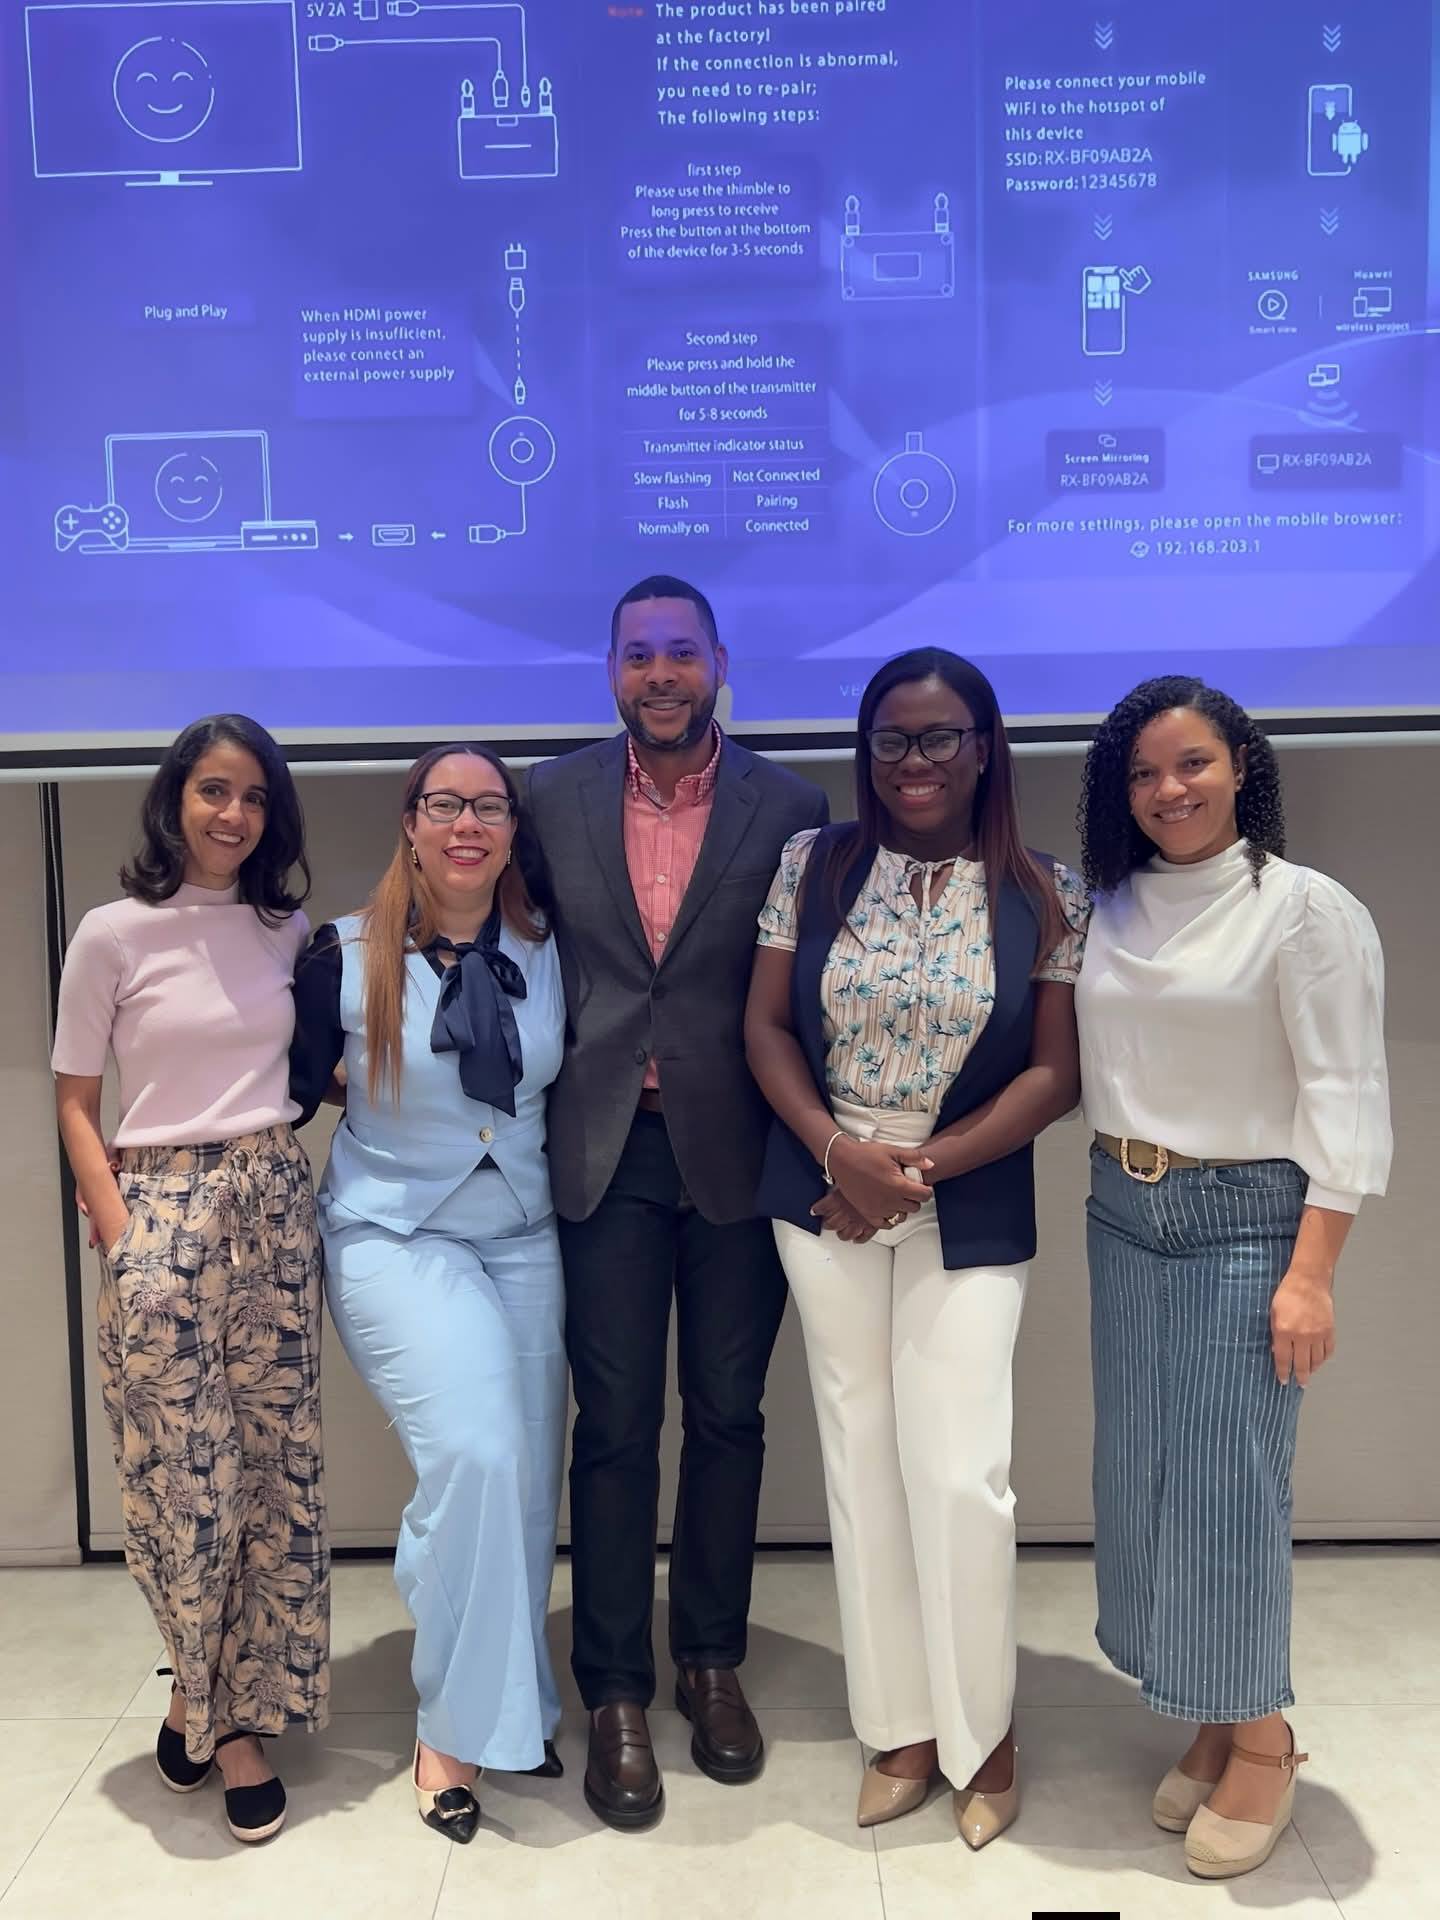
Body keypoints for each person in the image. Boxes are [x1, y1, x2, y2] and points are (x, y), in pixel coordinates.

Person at [745, 647, 1088, 1849]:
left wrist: (914, 1172)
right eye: (891, 740)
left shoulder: (1048, 890)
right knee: (863, 1460)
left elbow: (1055, 1073)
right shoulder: (814, 863)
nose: (915, 761)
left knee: (959, 1473)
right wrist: (841, 1153)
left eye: (941, 737)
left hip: (966, 1194)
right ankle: (897, 1726)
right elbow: (765, 1028)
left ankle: (980, 1734)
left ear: (984, 748)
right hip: (825, 1188)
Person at [1075, 676, 1392, 1881]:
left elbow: (1346, 1096)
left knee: (1229, 1487)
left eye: (1193, 763)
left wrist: (1312, 1275)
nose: (1170, 790)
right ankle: (1209, 1711)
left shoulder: (1303, 910)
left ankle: (1264, 1739)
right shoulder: (1109, 904)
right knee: (1144, 1479)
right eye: (1144, 773)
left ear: (1243, 766)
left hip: (1245, 1221)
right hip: (1121, 1211)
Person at [524, 575, 828, 1829]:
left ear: (718, 664)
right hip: (601, 1147)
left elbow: (805, 981)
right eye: (640, 654)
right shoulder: (547, 797)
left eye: (682, 653)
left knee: (728, 1415)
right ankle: (613, 1687)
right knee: (611, 1425)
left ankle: (709, 1661)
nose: (662, 674)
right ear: (611, 671)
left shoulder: (791, 805)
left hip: (740, 1149)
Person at [52, 714, 326, 1845]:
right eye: (215, 790)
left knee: (270, 1475)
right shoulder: (112, 932)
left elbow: (309, 1068)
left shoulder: (286, 928)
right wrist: (121, 1230)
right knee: (183, 1486)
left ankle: (223, 1712)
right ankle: (211, 1704)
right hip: (160, 1209)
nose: (233, 814)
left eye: (255, 797)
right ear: (175, 799)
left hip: (272, 1204)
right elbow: (75, 1101)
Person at [289, 745, 567, 1846]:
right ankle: (452, 1728)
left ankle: (514, 1705)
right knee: (476, 1455)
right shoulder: (341, 954)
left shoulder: (551, 948)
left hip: (527, 1235)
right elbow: (282, 1085)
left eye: (489, 807)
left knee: (525, 1479)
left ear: (511, 831)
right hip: (394, 1234)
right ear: (410, 821)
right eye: (445, 804)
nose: (468, 824)